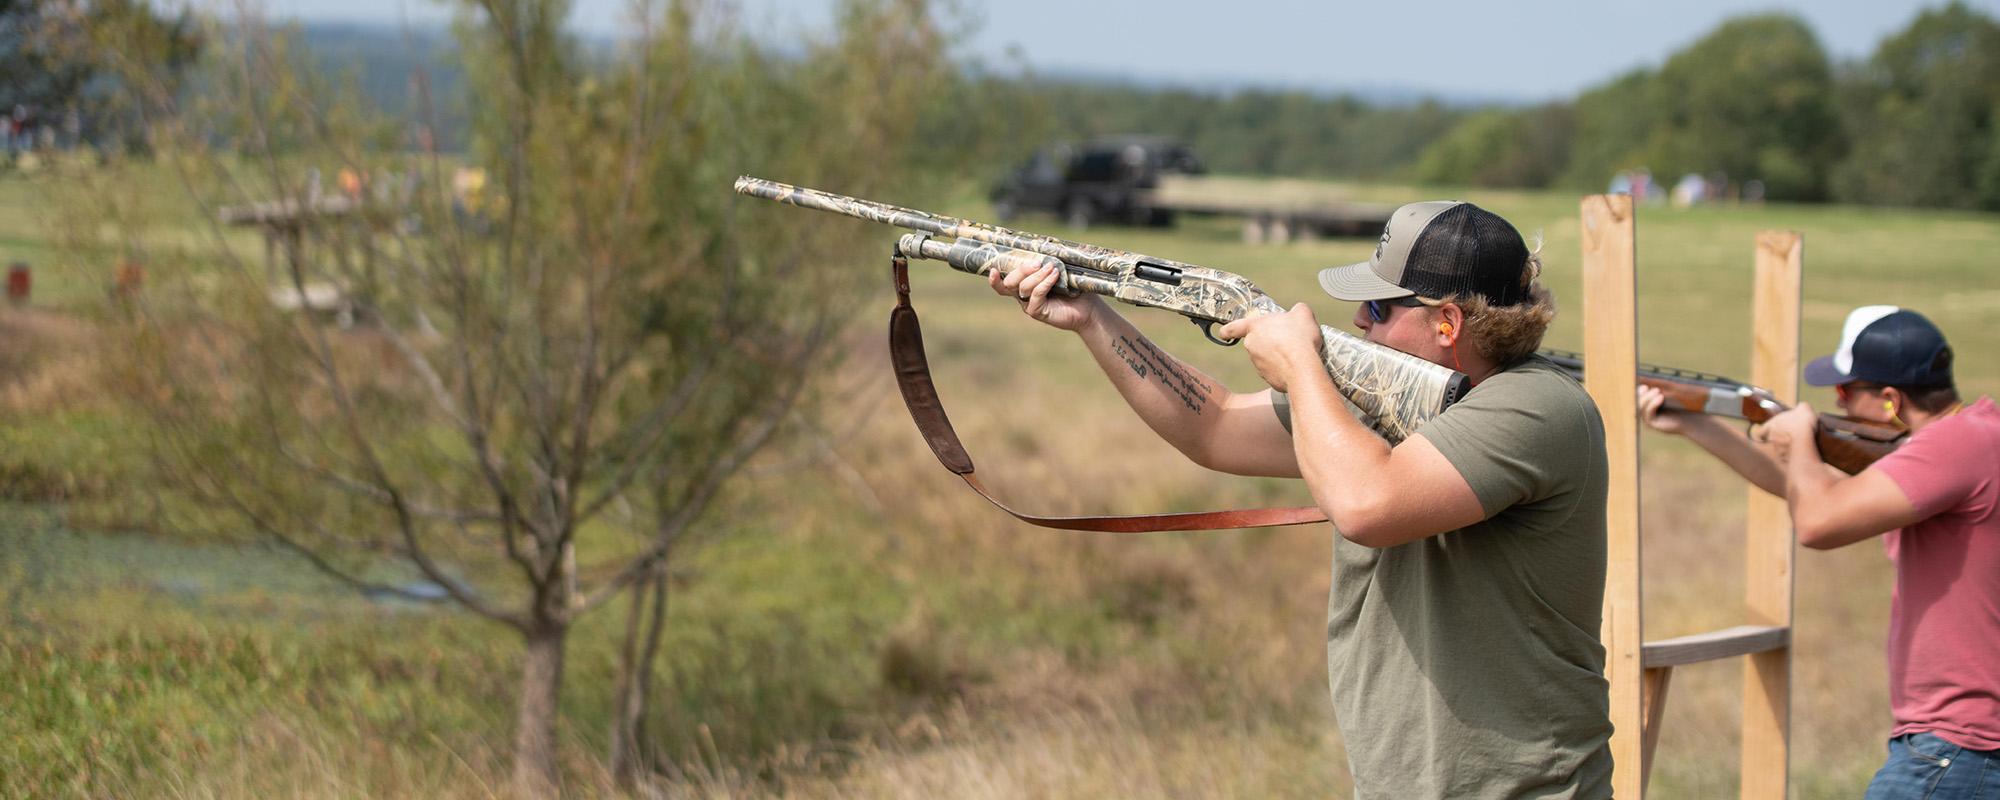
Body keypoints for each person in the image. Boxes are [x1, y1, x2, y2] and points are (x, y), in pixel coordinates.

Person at [994, 201, 1613, 798]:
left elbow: (1367, 505)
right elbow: (1213, 427)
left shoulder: (1540, 407)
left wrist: (1299, 365)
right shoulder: (1384, 408)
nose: (1360, 323)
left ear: (1446, 323)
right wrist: (1093, 317)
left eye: (1376, 306)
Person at [1639, 305, 1999, 798]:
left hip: (1955, 746)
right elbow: (1816, 491)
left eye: (1847, 392)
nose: (1838, 402)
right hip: (1958, 746)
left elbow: (1817, 522)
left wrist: (1799, 441)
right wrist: (1694, 425)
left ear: (1891, 399)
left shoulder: (1953, 444)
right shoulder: (1973, 436)